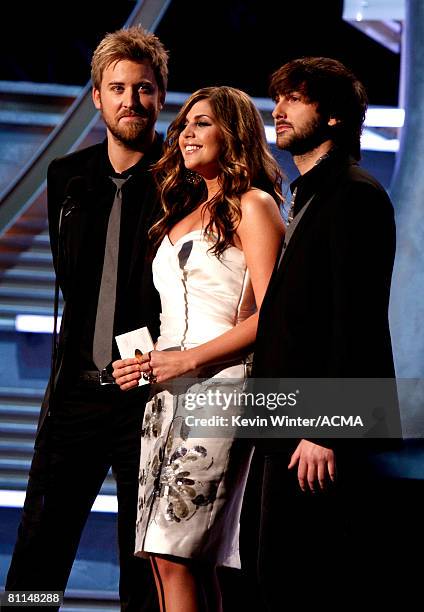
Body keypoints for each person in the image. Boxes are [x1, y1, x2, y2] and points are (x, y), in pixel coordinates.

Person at [5, 26, 168, 611]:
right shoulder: (65, 177)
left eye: (144, 89)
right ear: (96, 97)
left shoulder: (182, 180)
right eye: (118, 88)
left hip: (148, 398)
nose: (131, 101)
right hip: (74, 393)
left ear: (160, 96)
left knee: (142, 567)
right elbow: (75, 287)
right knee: (37, 560)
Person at [113, 86, 285, 612]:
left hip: (219, 390)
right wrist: (148, 365)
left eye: (202, 123)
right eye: (184, 124)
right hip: (164, 395)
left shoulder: (253, 205)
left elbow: (274, 315)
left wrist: (188, 359)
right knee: (168, 559)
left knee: (177, 554)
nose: (186, 133)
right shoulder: (182, 210)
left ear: (232, 132)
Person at [252, 57, 399, 608]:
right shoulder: (313, 195)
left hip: (316, 433)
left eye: (296, 97)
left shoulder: (355, 195)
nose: (279, 108)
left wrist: (326, 429)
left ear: (335, 117)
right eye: (278, 96)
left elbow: (356, 320)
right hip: (290, 424)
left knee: (307, 584)